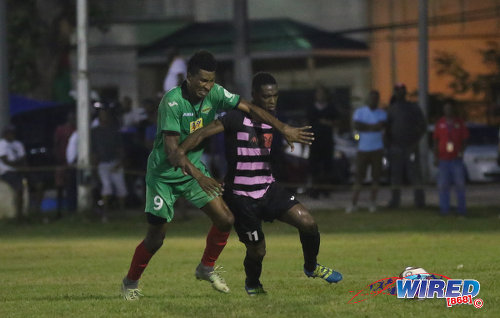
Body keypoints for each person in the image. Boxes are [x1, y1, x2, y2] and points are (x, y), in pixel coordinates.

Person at [120, 51, 314, 300]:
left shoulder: (216, 93)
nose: (207, 86)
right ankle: (130, 282)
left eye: (211, 80)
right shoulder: (171, 102)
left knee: (225, 219)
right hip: (163, 176)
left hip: (193, 169)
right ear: (188, 77)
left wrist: (283, 128)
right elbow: (173, 153)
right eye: (202, 80)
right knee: (156, 238)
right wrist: (200, 178)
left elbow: (251, 107)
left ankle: (205, 267)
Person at [170, 72, 342, 296]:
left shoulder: (274, 120)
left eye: (275, 96)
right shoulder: (235, 117)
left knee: (308, 223)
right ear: (253, 96)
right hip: (241, 197)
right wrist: (180, 150)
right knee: (257, 251)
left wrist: (287, 140)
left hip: (268, 188)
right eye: (266, 96)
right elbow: (203, 133)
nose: (271, 101)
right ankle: (253, 283)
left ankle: (311, 267)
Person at [386, 83, 427, 209]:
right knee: (395, 176)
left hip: (411, 147)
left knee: (415, 174)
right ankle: (395, 201)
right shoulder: (391, 109)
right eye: (397, 91)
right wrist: (389, 144)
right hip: (396, 147)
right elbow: (387, 128)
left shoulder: (413, 107)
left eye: (401, 91)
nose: (399, 93)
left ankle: (419, 202)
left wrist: (415, 141)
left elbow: (422, 126)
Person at [346, 90, 387, 213]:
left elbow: (381, 126)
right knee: (359, 177)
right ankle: (353, 203)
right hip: (363, 149)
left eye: (376, 98)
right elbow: (357, 125)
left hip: (377, 149)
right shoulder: (360, 112)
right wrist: (372, 127)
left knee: (376, 177)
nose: (373, 100)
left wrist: (367, 127)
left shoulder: (382, 113)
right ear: (368, 99)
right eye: (372, 98)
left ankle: (372, 203)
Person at [91, 104, 128, 220]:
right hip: (103, 164)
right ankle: (105, 214)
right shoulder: (95, 132)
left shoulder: (114, 131)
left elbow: (120, 148)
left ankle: (122, 213)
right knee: (106, 187)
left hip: (115, 162)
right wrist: (94, 166)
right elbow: (94, 150)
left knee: (121, 188)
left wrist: (120, 162)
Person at [433, 101, 469, 216]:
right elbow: (435, 140)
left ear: (453, 110)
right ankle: (445, 210)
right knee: (443, 186)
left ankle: (462, 210)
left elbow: (465, 139)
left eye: (450, 108)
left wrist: (461, 152)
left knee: (460, 185)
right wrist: (435, 156)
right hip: (443, 159)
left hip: (456, 160)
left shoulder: (459, 123)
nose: (448, 110)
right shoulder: (440, 123)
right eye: (446, 108)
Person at [307, 85, 338, 198]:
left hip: (327, 142)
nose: (320, 96)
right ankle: (314, 190)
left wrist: (326, 123)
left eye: (322, 93)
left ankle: (325, 189)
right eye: (318, 93)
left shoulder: (331, 108)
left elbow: (336, 122)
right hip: (314, 141)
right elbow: (308, 123)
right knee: (314, 166)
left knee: (327, 166)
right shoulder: (311, 108)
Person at [0, 125, 26, 221]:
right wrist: (17, 165)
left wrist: (20, 165)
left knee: (38, 184)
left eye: (12, 133)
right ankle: (19, 216)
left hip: (18, 170)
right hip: (6, 172)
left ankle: (34, 211)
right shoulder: (2, 144)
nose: (11, 135)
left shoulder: (18, 144)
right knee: (19, 189)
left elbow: (23, 158)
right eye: (9, 133)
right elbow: (5, 160)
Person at [53, 111, 77, 216]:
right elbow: (56, 144)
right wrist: (58, 159)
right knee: (60, 186)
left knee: (72, 185)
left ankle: (72, 209)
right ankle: (59, 210)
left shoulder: (77, 130)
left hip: (73, 163)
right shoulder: (61, 129)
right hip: (62, 162)